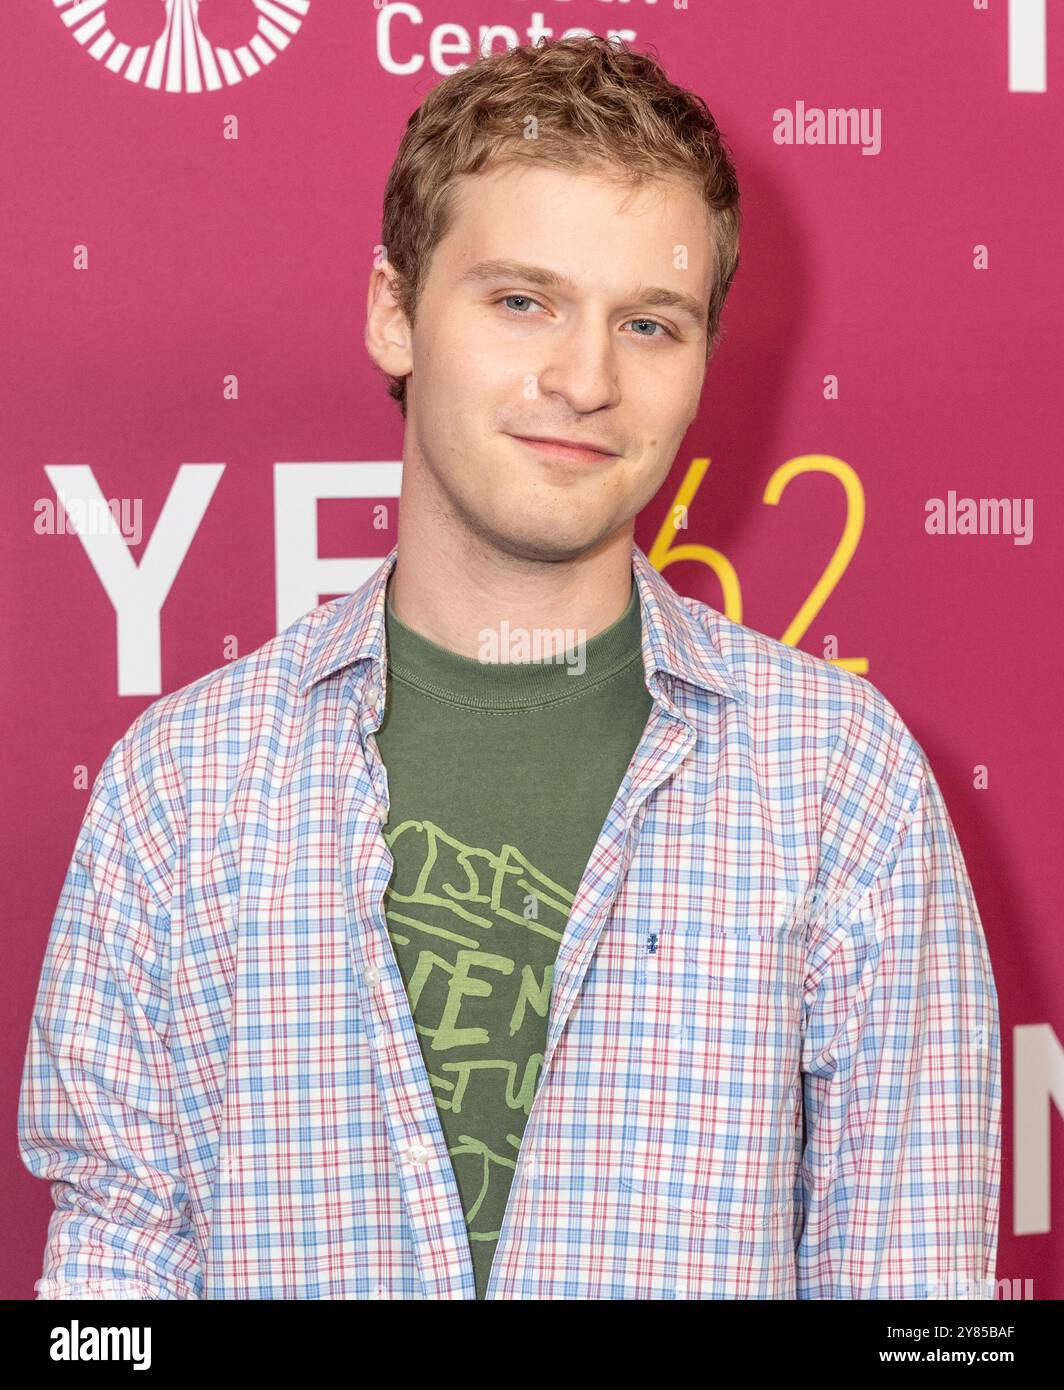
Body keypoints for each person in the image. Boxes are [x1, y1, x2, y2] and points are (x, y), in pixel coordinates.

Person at [18, 35, 1001, 1301]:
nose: (583, 380)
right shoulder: (183, 789)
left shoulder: (836, 781)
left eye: (647, 323)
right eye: (521, 299)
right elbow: (104, 1312)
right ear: (393, 310)